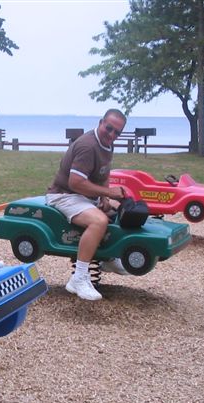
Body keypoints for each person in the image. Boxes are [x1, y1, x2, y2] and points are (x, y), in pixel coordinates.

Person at [45, 108, 128, 301]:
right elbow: (75, 183)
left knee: (118, 209)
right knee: (99, 221)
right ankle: (79, 278)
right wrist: (109, 193)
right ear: (101, 123)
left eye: (117, 132)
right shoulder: (88, 146)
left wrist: (104, 198)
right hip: (65, 195)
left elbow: (104, 173)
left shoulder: (107, 144)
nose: (112, 134)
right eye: (109, 128)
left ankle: (108, 258)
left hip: (83, 195)